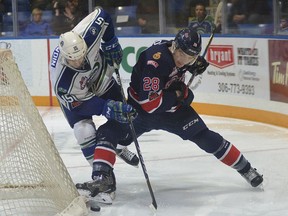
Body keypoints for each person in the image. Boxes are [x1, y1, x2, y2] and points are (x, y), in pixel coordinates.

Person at [77, 27, 264, 204]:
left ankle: (246, 169)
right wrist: (177, 94)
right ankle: (104, 182)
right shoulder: (155, 62)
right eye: (182, 54)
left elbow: (183, 64)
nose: (184, 59)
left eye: (191, 56)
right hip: (142, 112)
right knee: (108, 132)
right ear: (174, 46)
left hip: (173, 112)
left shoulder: (179, 52)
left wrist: (195, 65)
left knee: (205, 137)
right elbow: (150, 105)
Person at [49, 7, 139, 204]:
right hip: (78, 98)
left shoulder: (87, 34)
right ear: (65, 57)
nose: (81, 61)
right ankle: (104, 179)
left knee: (125, 119)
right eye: (75, 59)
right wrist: (106, 108)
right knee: (83, 131)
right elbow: (80, 105)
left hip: (100, 76)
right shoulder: (63, 82)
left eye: (82, 54)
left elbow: (104, 15)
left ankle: (120, 147)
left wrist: (111, 41)